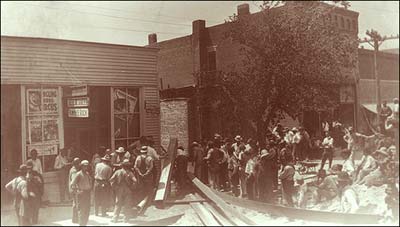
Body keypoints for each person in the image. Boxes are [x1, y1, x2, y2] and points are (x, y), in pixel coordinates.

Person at [110, 159, 137, 223]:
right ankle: (126, 219)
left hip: (119, 189)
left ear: (122, 166)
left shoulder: (117, 172)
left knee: (118, 204)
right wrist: (132, 187)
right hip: (127, 189)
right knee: (127, 204)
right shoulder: (130, 173)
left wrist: (114, 187)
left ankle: (115, 218)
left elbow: (111, 180)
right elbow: (135, 181)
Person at [70, 160, 93, 226]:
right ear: (82, 166)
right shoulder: (78, 174)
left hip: (87, 193)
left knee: (87, 210)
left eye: (87, 166)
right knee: (82, 211)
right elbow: (72, 184)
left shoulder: (87, 174)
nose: (86, 168)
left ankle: (84, 224)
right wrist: (77, 191)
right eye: (84, 166)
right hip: (82, 194)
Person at [26, 160, 44, 224]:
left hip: (36, 193)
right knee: (30, 207)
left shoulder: (36, 174)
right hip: (29, 193)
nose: (29, 169)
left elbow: (41, 183)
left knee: (36, 208)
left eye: (30, 168)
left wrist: (41, 192)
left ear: (32, 167)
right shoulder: (25, 174)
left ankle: (35, 221)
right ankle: (31, 220)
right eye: (27, 168)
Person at [69, 157, 80, 224]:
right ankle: (76, 219)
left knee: (75, 203)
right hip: (75, 189)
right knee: (76, 204)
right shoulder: (74, 171)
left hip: (73, 189)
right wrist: (77, 189)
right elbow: (74, 182)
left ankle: (75, 219)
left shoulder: (72, 169)